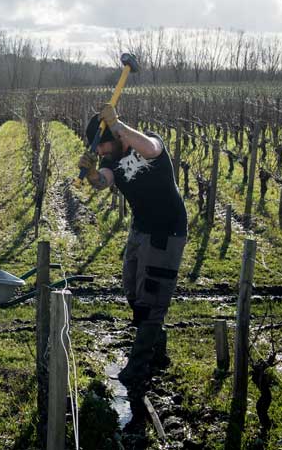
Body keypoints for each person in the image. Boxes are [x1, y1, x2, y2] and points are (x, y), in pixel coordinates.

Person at [78, 104, 187, 393]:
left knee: (152, 294)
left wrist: (118, 124)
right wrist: (90, 173)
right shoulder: (112, 162)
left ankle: (138, 366)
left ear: (115, 137)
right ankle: (156, 346)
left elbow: (152, 148)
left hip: (166, 229)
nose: (100, 152)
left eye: (101, 146)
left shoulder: (147, 143)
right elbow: (103, 182)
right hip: (140, 229)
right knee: (132, 289)